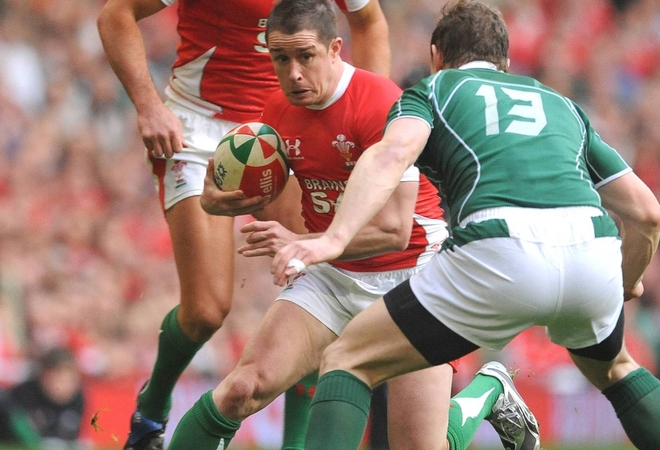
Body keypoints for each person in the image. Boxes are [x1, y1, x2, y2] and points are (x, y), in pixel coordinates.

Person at [271, 1, 660, 449]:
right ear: (506, 64)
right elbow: (647, 214)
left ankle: (487, 387)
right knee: (616, 368)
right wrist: (626, 281)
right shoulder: (563, 107)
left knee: (346, 358)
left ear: (436, 56)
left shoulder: (434, 90)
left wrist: (334, 238)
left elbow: (392, 155)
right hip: (591, 249)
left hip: (496, 249)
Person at [95, 0, 390, 448]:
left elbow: (369, 21)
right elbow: (116, 15)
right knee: (206, 312)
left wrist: (366, 125)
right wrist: (149, 106)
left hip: (291, 127)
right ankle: (152, 407)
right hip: (199, 130)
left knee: (319, 282)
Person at [163, 0, 454, 448]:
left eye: (305, 56)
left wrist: (304, 242)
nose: (293, 72)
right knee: (242, 388)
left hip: (411, 280)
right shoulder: (276, 111)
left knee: (417, 445)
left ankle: (489, 392)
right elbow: (266, 192)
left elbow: (395, 230)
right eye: (281, 58)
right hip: (334, 277)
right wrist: (218, 202)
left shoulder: (382, 104)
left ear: (336, 48)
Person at [0, 347, 85, 449]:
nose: (64, 386)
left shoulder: (78, 400)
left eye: (69, 381)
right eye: (59, 380)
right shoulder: (21, 397)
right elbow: (24, 437)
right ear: (43, 377)